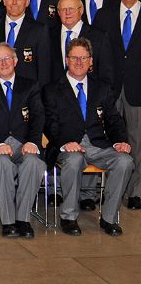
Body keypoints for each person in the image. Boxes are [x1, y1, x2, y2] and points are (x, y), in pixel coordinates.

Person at [43, 37, 133, 236]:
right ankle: (68, 217)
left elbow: (114, 119)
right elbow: (50, 123)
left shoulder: (102, 87)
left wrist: (121, 141)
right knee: (74, 160)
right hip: (67, 146)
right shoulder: (52, 89)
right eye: (74, 57)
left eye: (84, 58)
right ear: (67, 60)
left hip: (98, 145)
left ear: (91, 61)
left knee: (125, 161)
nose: (79, 62)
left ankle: (109, 218)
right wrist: (65, 143)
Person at [0, 43, 45, 238]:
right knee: (2, 163)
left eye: (7, 58)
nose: (4, 63)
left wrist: (33, 142)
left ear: (15, 61)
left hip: (25, 144)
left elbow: (38, 116)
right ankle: (8, 222)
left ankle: (23, 220)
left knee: (33, 162)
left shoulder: (30, 85)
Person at [93, 0, 141, 210]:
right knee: (103, 139)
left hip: (137, 89)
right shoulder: (105, 15)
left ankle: (135, 191)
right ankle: (96, 193)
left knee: (137, 140)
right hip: (109, 88)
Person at [0, 0, 51, 87]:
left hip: (28, 94)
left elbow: (44, 69)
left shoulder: (39, 30)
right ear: (4, 1)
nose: (14, 2)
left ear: (27, 2)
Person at [49, 0, 113, 84]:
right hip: (56, 95)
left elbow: (107, 74)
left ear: (81, 10)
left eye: (71, 9)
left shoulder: (99, 37)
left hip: (90, 95)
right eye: (63, 9)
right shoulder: (49, 35)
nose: (68, 13)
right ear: (58, 13)